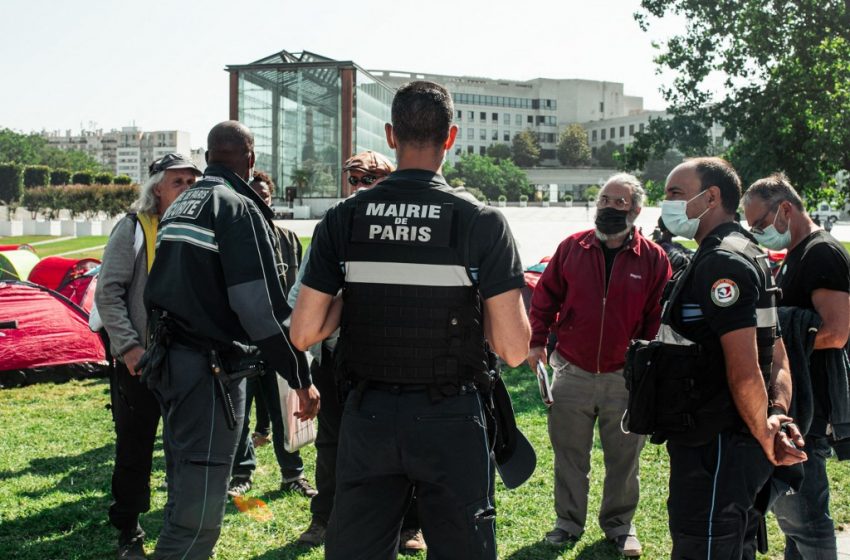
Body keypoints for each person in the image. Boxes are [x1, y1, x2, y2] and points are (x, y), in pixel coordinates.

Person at [290, 80, 531, 560]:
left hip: (368, 414)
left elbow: (303, 332)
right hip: (451, 418)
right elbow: (514, 349)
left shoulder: (343, 217)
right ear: (452, 137)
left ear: (390, 136)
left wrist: (352, 300)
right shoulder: (481, 221)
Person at [141, 121, 320, 560]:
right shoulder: (236, 206)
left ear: (207, 157)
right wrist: (300, 376)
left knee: (185, 486)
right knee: (199, 507)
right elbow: (257, 308)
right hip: (208, 370)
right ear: (250, 157)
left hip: (170, 361)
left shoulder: (185, 202)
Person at [654, 157, 806, 558]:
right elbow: (777, 354)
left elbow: (744, 370)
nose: (666, 203)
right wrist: (776, 414)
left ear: (712, 197)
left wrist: (767, 433)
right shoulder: (748, 253)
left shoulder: (723, 261)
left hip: (716, 447)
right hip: (730, 443)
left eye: (675, 194)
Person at [526, 173, 671, 557]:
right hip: (571, 371)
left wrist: (645, 363)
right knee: (569, 455)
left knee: (624, 460)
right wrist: (537, 342)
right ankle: (567, 523)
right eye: (604, 200)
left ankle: (620, 526)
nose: (609, 207)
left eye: (619, 202)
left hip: (624, 377)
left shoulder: (654, 259)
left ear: (636, 210)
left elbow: (657, 315)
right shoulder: (572, 248)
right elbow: (545, 297)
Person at [291, 150, 426, 553]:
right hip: (338, 354)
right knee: (332, 440)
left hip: (395, 353)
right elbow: (301, 297)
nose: (362, 187)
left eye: (372, 178)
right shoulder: (333, 225)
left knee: (407, 441)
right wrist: (302, 368)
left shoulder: (409, 224)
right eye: (355, 179)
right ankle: (324, 516)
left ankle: (410, 524)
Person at [96, 153, 202, 559]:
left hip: (188, 360)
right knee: (135, 446)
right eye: (179, 182)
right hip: (141, 361)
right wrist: (129, 347)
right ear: (156, 187)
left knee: (183, 448)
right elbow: (109, 292)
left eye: (194, 181)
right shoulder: (134, 228)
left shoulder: (200, 228)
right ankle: (129, 528)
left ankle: (180, 521)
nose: (188, 189)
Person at [744, 173, 850, 559]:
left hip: (813, 405)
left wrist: (777, 343)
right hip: (801, 401)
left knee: (806, 521)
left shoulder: (822, 253)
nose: (756, 232)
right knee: (794, 527)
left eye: (759, 224)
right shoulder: (797, 252)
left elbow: (836, 331)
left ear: (785, 208)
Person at [226, 171, 317, 499]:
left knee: (287, 408)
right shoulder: (234, 237)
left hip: (280, 339)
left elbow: (300, 290)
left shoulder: (288, 239)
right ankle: (241, 472)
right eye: (253, 195)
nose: (260, 200)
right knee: (240, 412)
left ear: (271, 198)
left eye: (264, 195)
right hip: (244, 341)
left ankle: (292, 474)